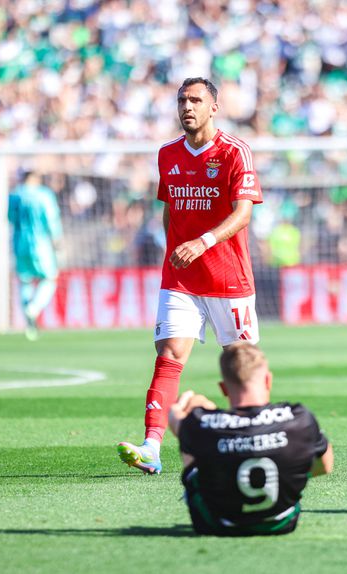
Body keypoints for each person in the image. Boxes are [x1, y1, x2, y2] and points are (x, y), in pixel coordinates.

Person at [118, 77, 264, 474]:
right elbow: (169, 209)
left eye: (196, 100)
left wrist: (202, 242)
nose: (188, 106)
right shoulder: (166, 154)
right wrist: (175, 252)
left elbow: (244, 212)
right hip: (180, 278)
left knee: (242, 362)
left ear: (213, 107)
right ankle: (151, 446)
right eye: (182, 100)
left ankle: (253, 443)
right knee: (168, 356)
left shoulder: (236, 152)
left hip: (228, 277)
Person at [168, 342, 334, 536]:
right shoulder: (299, 418)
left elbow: (181, 421)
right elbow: (325, 466)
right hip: (282, 522)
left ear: (223, 388)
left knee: (194, 440)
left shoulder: (200, 424)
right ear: (268, 380)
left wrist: (179, 414)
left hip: (217, 524)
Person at [7, 168, 64, 341]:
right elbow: (52, 219)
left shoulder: (14, 195)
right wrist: (57, 239)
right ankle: (34, 307)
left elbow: (10, 217)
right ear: (35, 179)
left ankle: (30, 326)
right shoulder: (43, 195)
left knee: (25, 280)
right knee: (50, 278)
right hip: (40, 244)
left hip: (19, 243)